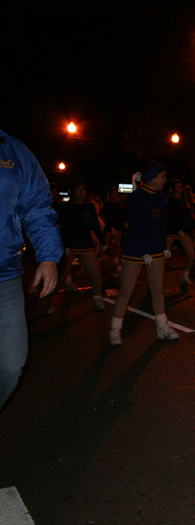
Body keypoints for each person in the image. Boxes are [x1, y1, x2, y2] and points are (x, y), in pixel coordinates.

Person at [0, 129, 62, 410]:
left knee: (10, 366)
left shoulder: (13, 150)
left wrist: (48, 257)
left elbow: (37, 208)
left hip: (5, 276)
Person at [109, 162, 179, 345]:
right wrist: (143, 251)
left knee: (157, 291)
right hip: (135, 249)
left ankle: (162, 327)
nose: (165, 180)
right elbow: (135, 228)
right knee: (126, 292)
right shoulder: (135, 197)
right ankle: (115, 330)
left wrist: (163, 246)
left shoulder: (161, 197)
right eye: (163, 176)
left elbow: (160, 224)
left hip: (155, 249)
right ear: (153, 177)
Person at [57, 181, 106, 311]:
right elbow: (63, 227)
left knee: (96, 275)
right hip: (70, 245)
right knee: (61, 275)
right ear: (72, 192)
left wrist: (103, 241)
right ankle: (51, 302)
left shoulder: (89, 206)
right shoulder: (67, 207)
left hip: (86, 244)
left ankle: (97, 299)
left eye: (83, 189)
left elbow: (95, 224)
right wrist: (65, 244)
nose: (82, 191)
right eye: (78, 189)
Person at [165, 179, 195, 285]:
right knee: (161, 256)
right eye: (177, 186)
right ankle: (156, 277)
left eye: (181, 186)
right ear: (173, 188)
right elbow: (172, 217)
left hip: (183, 231)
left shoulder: (183, 201)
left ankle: (185, 275)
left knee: (191, 254)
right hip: (171, 231)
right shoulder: (170, 201)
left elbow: (187, 215)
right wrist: (178, 229)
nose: (180, 188)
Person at [103, 186, 125, 277]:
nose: (115, 195)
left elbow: (121, 216)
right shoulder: (107, 204)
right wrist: (111, 227)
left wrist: (125, 225)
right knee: (104, 245)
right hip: (109, 228)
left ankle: (115, 263)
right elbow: (107, 217)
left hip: (118, 227)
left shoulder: (118, 205)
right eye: (113, 194)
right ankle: (97, 261)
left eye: (116, 194)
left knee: (117, 246)